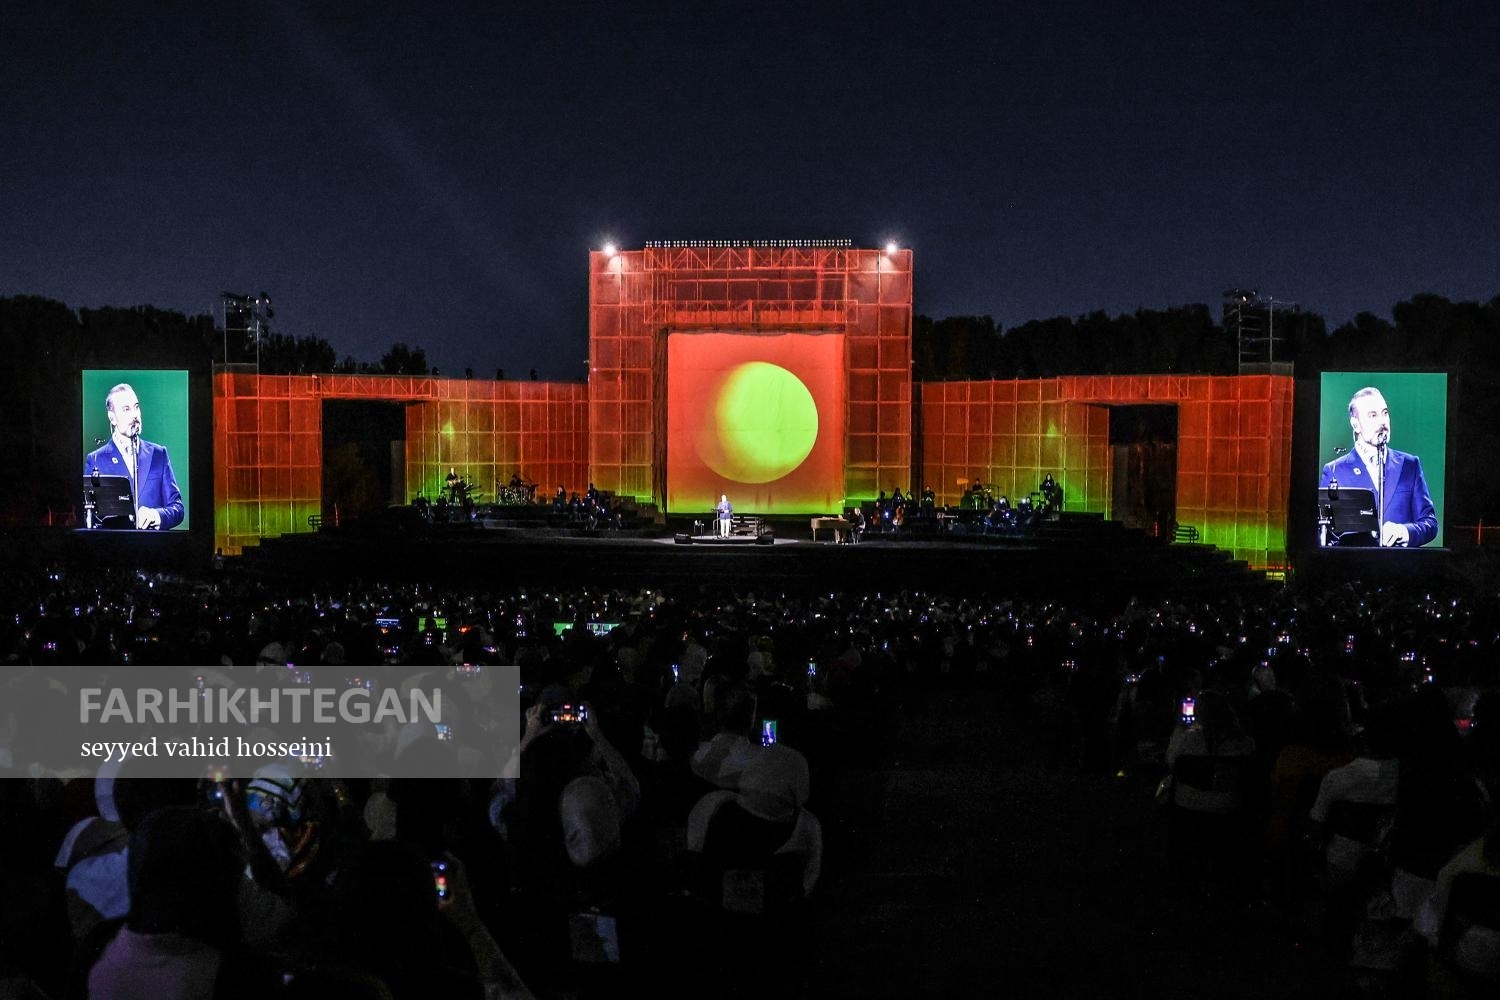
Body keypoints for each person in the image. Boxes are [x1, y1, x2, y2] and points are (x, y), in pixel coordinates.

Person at [1319, 386, 1437, 547]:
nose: (1382, 421)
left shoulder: (1410, 465)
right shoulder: (1335, 471)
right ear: (1355, 424)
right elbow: (1324, 532)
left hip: (1399, 562)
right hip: (1353, 562)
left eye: (1385, 413)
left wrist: (1403, 531)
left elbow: (1430, 523)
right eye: (1373, 415)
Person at [83, 383, 184, 530]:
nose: (134, 415)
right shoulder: (96, 460)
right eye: (126, 409)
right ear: (112, 418)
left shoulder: (159, 454)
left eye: (136, 407)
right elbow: (88, 515)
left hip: (152, 543)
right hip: (114, 543)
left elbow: (178, 508)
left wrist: (156, 515)